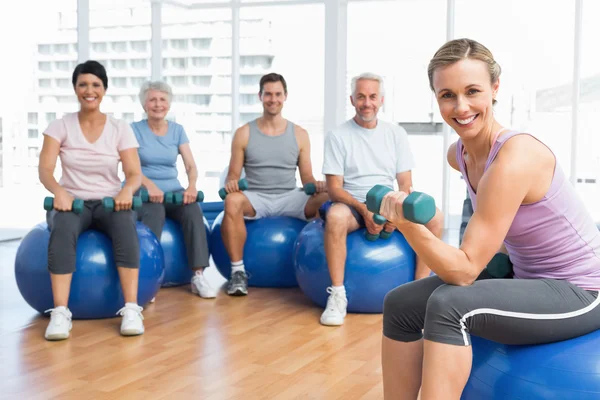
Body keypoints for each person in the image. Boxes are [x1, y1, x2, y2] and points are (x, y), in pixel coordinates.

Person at [379, 38, 600, 400]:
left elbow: (464, 270)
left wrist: (408, 225)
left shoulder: (515, 157)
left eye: (472, 91)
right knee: (400, 304)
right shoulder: (460, 154)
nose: (461, 106)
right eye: (447, 95)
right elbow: (490, 237)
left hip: (583, 291)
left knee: (449, 306)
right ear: (436, 98)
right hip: (526, 277)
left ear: (495, 88)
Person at [319, 72, 444, 327]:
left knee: (436, 218)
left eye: (373, 97)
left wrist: (395, 213)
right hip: (353, 203)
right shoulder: (338, 135)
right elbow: (334, 189)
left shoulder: (395, 134)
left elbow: (405, 183)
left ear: (381, 100)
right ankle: (338, 295)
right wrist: (364, 211)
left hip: (388, 203)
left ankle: (420, 294)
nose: (367, 103)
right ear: (352, 100)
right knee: (335, 216)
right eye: (361, 97)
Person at [38, 60, 144, 340]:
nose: (89, 90)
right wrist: (58, 192)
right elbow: (45, 170)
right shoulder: (59, 126)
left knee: (125, 228)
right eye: (83, 84)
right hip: (73, 202)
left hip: (110, 202)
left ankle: (132, 309)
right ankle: (60, 313)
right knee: (62, 231)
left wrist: (125, 191)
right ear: (75, 88)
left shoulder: (120, 128)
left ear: (104, 89)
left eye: (96, 85)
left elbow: (134, 174)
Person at [221, 72, 329, 296]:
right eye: (268, 94)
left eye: (278, 94)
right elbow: (232, 176)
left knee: (328, 199)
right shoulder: (244, 133)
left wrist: (318, 185)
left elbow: (306, 179)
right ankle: (238, 273)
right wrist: (232, 184)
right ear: (260, 96)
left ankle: (321, 268)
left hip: (290, 196)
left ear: (285, 96)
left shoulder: (300, 134)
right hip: (256, 197)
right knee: (232, 201)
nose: (273, 99)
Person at [131, 81, 216, 299]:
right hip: (144, 193)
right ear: (144, 104)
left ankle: (198, 275)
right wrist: (149, 186)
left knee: (192, 210)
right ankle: (148, 279)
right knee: (155, 212)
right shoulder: (133, 130)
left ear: (168, 104)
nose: (157, 104)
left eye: (162, 100)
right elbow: (131, 167)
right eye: (152, 99)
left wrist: (192, 187)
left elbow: (190, 165)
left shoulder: (177, 130)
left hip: (173, 191)